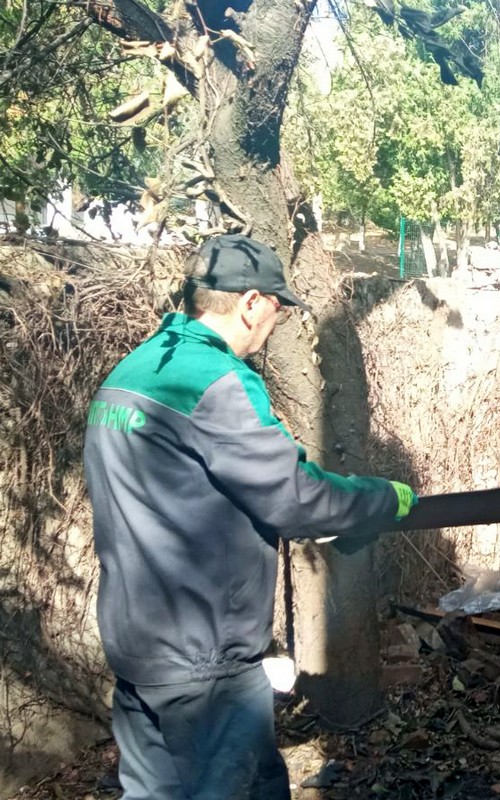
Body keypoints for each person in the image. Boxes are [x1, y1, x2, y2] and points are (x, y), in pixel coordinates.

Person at [83, 234, 415, 799]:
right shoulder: (217, 381)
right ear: (251, 302)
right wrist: (384, 498)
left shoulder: (135, 370)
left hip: (137, 645)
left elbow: (186, 478)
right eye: (278, 310)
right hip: (204, 662)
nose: (275, 323)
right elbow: (295, 500)